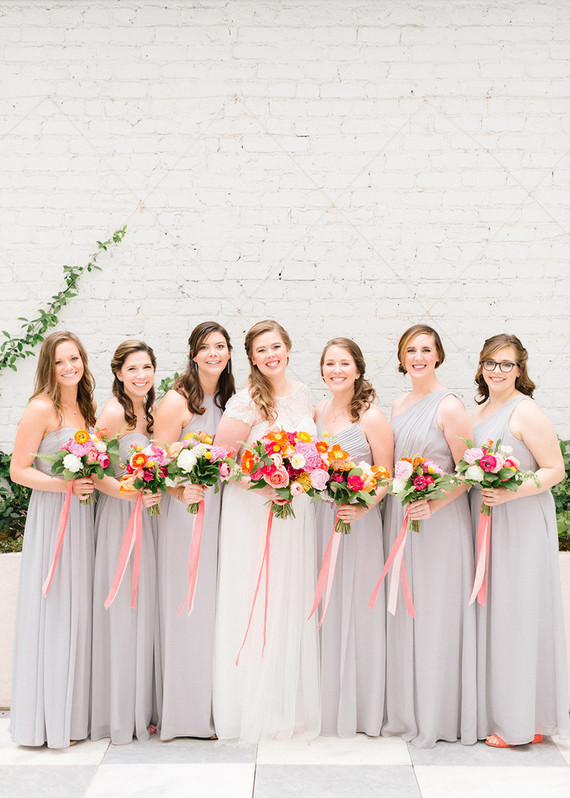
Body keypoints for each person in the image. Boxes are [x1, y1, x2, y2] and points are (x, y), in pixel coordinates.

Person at [213, 319, 320, 744]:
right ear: (252, 358)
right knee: (257, 603)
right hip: (255, 512)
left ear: (288, 347)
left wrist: (297, 480)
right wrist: (266, 484)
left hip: (296, 514)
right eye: (261, 350)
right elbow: (224, 461)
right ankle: (251, 706)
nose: (270, 355)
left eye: (275, 346)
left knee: (289, 602)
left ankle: (285, 704)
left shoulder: (304, 394)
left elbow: (312, 455)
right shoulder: (245, 402)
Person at [381, 324, 477, 748]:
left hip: (438, 522)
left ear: (438, 355)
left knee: (436, 613)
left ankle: (439, 716)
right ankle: (407, 711)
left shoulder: (450, 405)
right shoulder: (399, 402)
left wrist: (433, 503)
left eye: (425, 350)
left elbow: (468, 471)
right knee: (405, 610)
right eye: (410, 350)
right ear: (402, 359)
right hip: (399, 517)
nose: (417, 357)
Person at [471, 333, 568, 747]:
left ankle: (522, 723)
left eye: (506, 364)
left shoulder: (525, 411)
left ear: (520, 369)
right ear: (480, 367)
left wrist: (512, 491)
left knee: (521, 615)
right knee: (498, 617)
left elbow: (554, 469)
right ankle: (521, 713)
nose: (497, 371)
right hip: (488, 523)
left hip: (522, 522)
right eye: (490, 363)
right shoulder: (479, 412)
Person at [10, 331, 96, 748]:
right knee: (54, 607)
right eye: (60, 361)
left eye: (74, 359)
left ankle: (72, 716)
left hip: (82, 517)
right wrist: (65, 487)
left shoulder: (83, 406)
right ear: (49, 365)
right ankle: (44, 720)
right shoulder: (40, 407)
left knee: (78, 608)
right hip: (53, 515)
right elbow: (18, 470)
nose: (69, 368)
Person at [154, 322, 235, 740]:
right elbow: (156, 463)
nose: (213, 353)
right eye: (205, 347)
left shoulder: (230, 398)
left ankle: (218, 705)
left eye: (220, 346)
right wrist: (181, 489)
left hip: (225, 512)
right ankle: (186, 714)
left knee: (220, 609)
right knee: (192, 606)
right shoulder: (176, 401)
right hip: (188, 514)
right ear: (193, 353)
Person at [314, 337, 393, 737]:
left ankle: (361, 708)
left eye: (344, 363)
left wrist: (362, 507)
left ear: (358, 370)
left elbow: (386, 474)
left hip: (357, 522)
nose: (336, 370)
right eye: (330, 363)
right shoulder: (318, 410)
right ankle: (325, 702)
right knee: (326, 606)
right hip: (319, 521)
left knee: (359, 606)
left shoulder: (371, 417)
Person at [91, 340, 161, 744]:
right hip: (120, 518)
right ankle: (119, 713)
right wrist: (125, 491)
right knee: (122, 608)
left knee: (142, 608)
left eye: (146, 368)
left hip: (146, 519)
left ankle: (141, 708)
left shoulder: (148, 412)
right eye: (132, 369)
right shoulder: (114, 412)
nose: (141, 376)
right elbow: (95, 469)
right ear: (119, 374)